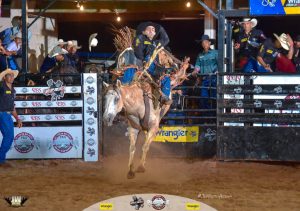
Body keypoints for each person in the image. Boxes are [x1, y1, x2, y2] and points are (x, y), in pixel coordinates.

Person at [133, 21, 171, 104]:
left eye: (153, 29)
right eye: (149, 29)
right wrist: (143, 63)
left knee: (166, 78)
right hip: (145, 65)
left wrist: (160, 28)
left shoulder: (156, 43)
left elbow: (166, 39)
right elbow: (138, 52)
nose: (152, 30)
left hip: (155, 68)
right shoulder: (140, 38)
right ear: (143, 32)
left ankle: (165, 98)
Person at [0, 68, 22, 166]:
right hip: (2, 114)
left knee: (8, 137)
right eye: (9, 75)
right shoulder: (1, 86)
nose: (12, 77)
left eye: (12, 75)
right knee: (9, 137)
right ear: (4, 77)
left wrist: (17, 118)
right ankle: (1, 159)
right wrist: (4, 72)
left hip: (6, 114)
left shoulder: (13, 90)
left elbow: (12, 107)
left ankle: (1, 159)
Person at [192, 34, 218, 109]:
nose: (204, 44)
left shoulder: (215, 53)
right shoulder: (200, 55)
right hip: (204, 79)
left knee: (214, 97)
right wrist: (195, 71)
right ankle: (206, 117)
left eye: (206, 42)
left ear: (209, 43)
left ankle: (213, 117)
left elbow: (220, 64)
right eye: (203, 43)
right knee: (204, 98)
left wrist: (217, 71)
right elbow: (197, 65)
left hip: (213, 78)